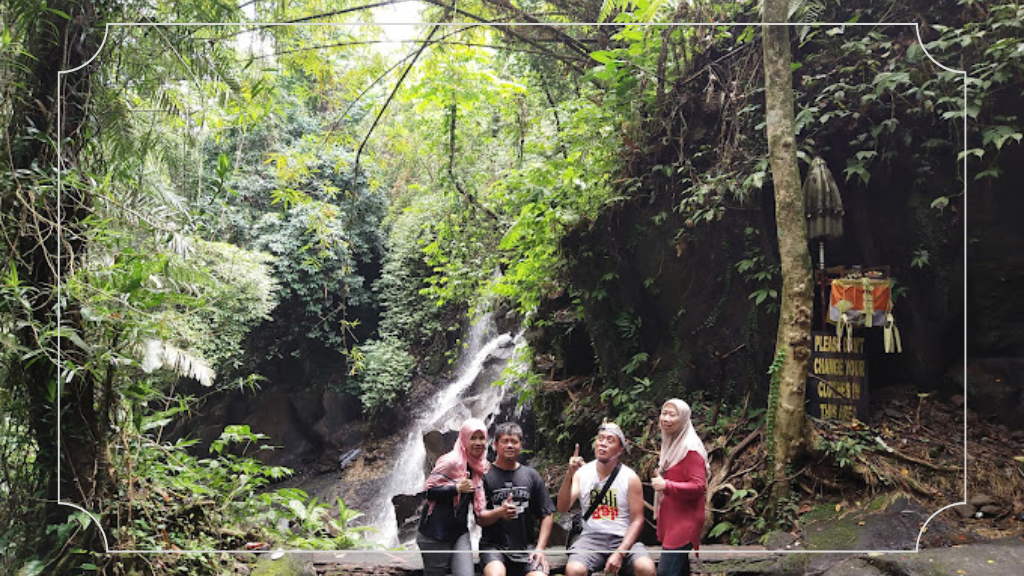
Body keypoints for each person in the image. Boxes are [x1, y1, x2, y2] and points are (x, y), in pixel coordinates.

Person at [556, 422, 656, 576]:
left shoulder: (630, 478)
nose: (603, 443)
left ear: (620, 449)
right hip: (591, 538)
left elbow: (637, 520)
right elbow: (562, 507)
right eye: (600, 438)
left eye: (610, 440)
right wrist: (569, 474)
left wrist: (620, 553)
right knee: (574, 570)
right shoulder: (582, 473)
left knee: (646, 568)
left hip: (622, 538)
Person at [477, 422, 556, 576]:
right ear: (495, 445)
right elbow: (479, 519)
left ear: (520, 445)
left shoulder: (531, 475)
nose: (510, 445)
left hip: (526, 549)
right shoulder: (484, 476)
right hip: (494, 548)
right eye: (505, 441)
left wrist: (540, 548)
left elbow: (547, 513)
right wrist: (499, 512)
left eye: (514, 441)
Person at [417, 418, 490, 576]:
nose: (478, 442)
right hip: (435, 532)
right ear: (464, 438)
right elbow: (428, 491)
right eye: (473, 438)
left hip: (459, 532)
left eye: (482, 438)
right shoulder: (451, 462)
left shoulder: (480, 466)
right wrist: (455, 488)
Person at [651, 399, 708, 576]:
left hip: (685, 522)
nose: (666, 418)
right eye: (664, 413)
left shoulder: (690, 448)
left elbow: (699, 486)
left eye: (672, 415)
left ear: (683, 418)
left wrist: (666, 485)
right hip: (673, 518)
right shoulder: (672, 442)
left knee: (666, 572)